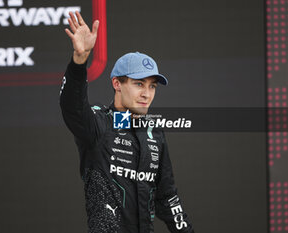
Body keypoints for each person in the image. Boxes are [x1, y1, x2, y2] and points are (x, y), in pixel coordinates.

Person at [60, 11, 194, 233]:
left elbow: (168, 198)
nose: (147, 94)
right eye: (139, 84)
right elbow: (72, 108)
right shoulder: (99, 124)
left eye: (152, 86)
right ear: (117, 83)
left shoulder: (154, 133)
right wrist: (79, 61)